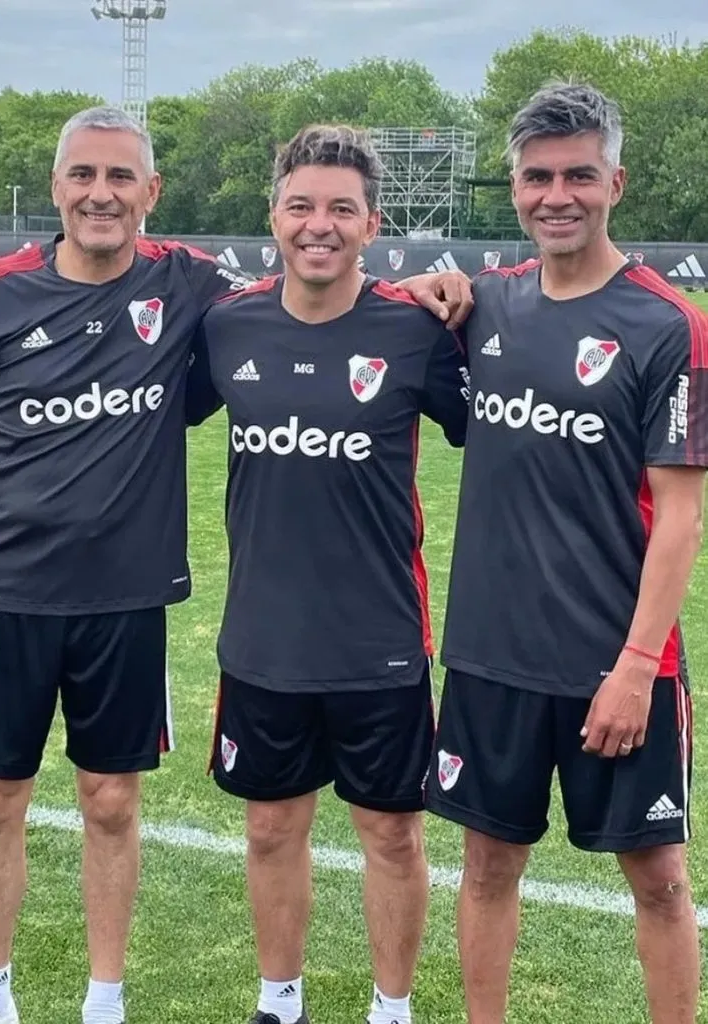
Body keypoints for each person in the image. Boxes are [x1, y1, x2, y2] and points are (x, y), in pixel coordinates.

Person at [0, 106, 471, 1024]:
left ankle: (110, 1000)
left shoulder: (194, 289)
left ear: (151, 192)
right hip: (3, 593)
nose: (101, 194)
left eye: (120, 177)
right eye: (83, 177)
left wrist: (438, 286)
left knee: (113, 804)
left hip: (133, 602)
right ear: (57, 187)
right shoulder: (3, 295)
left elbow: (337, 295)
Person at [423, 82, 708, 1024]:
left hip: (612, 667)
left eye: (578, 176)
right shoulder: (488, 305)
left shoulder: (667, 325)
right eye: (537, 177)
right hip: (490, 658)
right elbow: (376, 305)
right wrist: (430, 287)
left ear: (614, 182)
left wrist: (634, 668)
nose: (558, 196)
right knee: (487, 864)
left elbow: (678, 517)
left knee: (660, 880)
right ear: (514, 189)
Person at [186, 124, 470, 1024]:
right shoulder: (226, 326)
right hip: (261, 640)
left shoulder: (416, 329)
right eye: (301, 205)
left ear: (371, 223)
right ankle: (281, 1003)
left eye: (340, 208)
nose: (319, 224)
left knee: (391, 833)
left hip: (378, 640)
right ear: (273, 216)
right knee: (271, 827)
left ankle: (392, 1010)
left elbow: (494, 424)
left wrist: (460, 290)